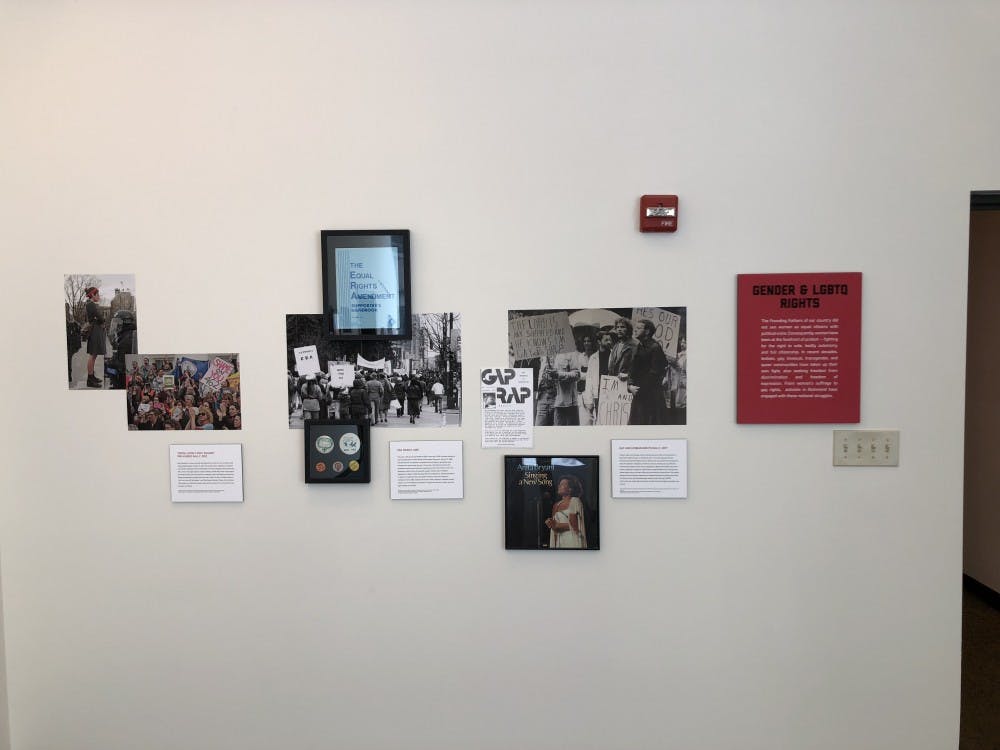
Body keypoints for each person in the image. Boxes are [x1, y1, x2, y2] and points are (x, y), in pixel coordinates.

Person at [627, 318, 668, 425]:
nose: (635, 330)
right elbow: (632, 369)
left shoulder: (655, 348)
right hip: (638, 395)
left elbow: (655, 373)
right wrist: (630, 385)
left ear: (647, 331)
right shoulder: (638, 346)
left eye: (638, 328)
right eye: (635, 328)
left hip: (651, 398)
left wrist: (639, 389)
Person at [544, 475, 587, 548]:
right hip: (560, 542)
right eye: (559, 484)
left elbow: (576, 525)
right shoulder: (556, 505)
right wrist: (551, 524)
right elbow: (554, 529)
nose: (559, 486)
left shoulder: (575, 501)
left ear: (570, 489)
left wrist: (557, 525)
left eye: (563, 484)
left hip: (572, 540)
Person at [583, 329, 615, 422]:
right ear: (599, 342)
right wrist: (589, 400)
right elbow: (589, 379)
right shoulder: (593, 358)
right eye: (606, 340)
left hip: (611, 394)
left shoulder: (615, 355)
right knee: (598, 420)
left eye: (610, 340)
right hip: (597, 394)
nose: (609, 342)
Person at [83, 286, 106, 388]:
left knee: (94, 355)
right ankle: (90, 379)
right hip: (94, 331)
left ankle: (92, 377)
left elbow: (98, 317)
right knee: (92, 355)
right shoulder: (91, 304)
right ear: (92, 295)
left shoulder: (91, 304)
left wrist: (100, 319)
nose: (99, 296)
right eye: (97, 294)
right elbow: (100, 318)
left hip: (95, 330)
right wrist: (102, 319)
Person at [551, 349, 581, 425]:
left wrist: (559, 374)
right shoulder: (548, 355)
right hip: (550, 401)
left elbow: (576, 375)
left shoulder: (571, 353)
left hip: (567, 404)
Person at [65, 302, 81, 383]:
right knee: (68, 360)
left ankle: (69, 376)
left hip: (69, 343)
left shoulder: (70, 318)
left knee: (68, 360)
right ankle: (69, 376)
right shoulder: (70, 318)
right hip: (70, 343)